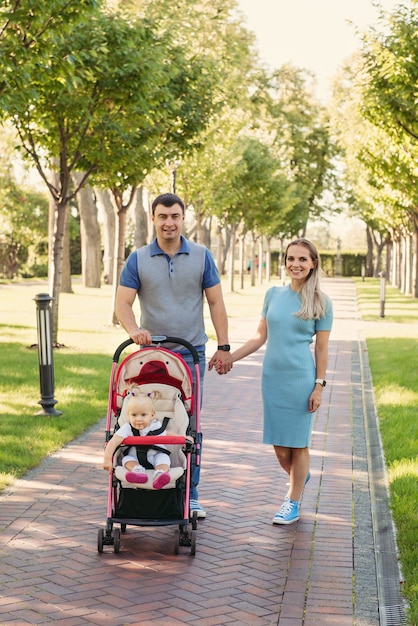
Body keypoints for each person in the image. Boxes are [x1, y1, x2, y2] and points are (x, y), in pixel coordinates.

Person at [115, 192, 233, 517]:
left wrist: (223, 346)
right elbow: (122, 303)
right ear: (153, 219)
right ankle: (145, 485)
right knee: (144, 421)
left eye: (175, 216)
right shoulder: (137, 259)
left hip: (191, 353)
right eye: (163, 216)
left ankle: (190, 495)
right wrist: (133, 330)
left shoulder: (201, 255)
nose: (169, 222)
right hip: (150, 359)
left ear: (184, 218)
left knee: (189, 426)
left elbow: (216, 302)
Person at [214, 238, 333, 525]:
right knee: (281, 449)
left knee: (299, 444)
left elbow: (321, 348)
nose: (296, 264)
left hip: (301, 379)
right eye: (291, 258)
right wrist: (231, 357)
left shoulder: (321, 302)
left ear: (313, 263)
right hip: (273, 379)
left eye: (303, 259)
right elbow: (259, 337)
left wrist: (319, 385)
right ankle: (300, 476)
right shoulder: (272, 294)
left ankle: (291, 502)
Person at [103, 392, 173, 490]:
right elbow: (114, 441)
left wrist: (184, 438)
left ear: (152, 415)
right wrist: (107, 459)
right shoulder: (127, 428)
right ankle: (138, 472)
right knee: (126, 459)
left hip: (155, 456)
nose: (138, 419)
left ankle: (160, 474)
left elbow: (166, 434)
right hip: (135, 457)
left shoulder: (155, 425)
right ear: (128, 415)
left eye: (143, 415)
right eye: (134, 415)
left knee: (164, 458)